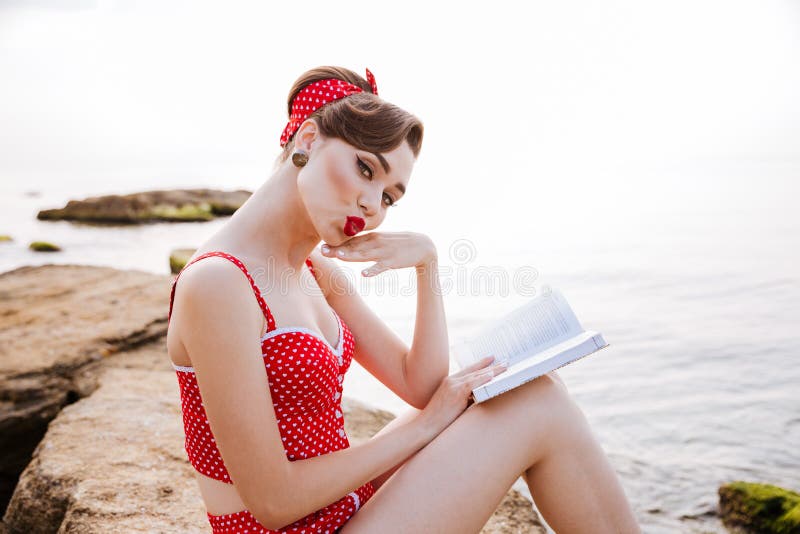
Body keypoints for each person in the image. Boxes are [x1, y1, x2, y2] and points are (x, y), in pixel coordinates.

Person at [166, 65, 641, 533]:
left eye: (390, 197)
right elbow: (273, 502)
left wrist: (426, 266)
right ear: (308, 142)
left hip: (345, 511)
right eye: (365, 168)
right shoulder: (219, 283)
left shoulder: (317, 271)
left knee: (532, 385)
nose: (373, 205)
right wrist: (424, 427)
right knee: (540, 407)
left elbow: (422, 385)